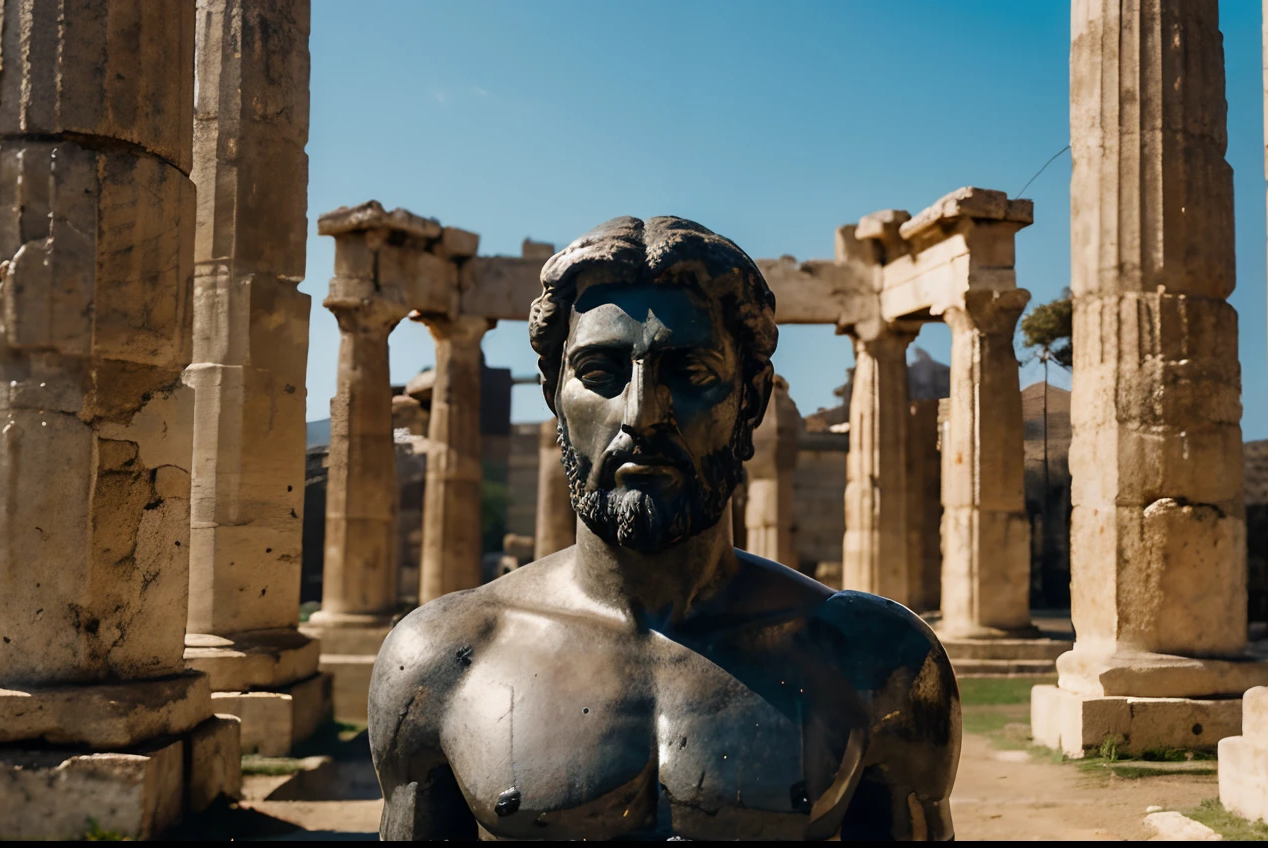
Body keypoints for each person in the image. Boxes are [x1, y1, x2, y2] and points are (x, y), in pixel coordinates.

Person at [368, 216, 960, 841]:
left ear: (752, 398)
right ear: (553, 392)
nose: (644, 415)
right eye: (600, 372)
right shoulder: (437, 661)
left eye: (691, 372)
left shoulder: (881, 661)